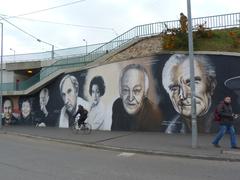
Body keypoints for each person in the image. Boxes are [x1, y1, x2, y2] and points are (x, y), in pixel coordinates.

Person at [162, 54, 217, 133]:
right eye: (174, 88)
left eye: (191, 84)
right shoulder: (172, 130)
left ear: (211, 85)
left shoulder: (228, 124)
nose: (183, 95)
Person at [111, 64, 162, 131]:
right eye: (125, 90)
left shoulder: (153, 115)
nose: (130, 98)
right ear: (121, 91)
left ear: (145, 92)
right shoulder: (117, 105)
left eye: (136, 90)